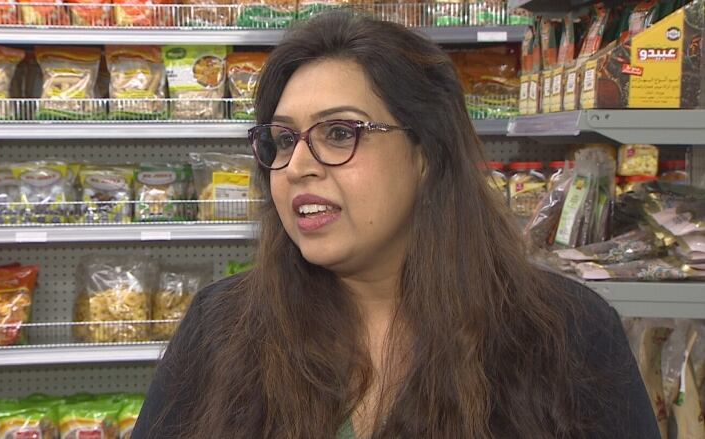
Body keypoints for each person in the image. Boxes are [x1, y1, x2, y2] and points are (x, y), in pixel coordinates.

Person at [133, 11, 659, 439]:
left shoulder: (567, 333)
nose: (297, 165)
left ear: (426, 154)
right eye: (285, 138)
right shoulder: (221, 327)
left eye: (339, 133)